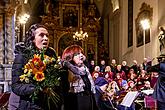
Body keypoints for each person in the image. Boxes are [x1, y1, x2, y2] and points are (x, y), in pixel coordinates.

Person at [9, 24, 62, 110]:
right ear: (33, 39)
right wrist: (38, 88)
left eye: (47, 36)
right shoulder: (23, 57)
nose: (46, 38)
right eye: (41, 35)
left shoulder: (52, 57)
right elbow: (16, 86)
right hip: (30, 105)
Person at [61, 45, 98, 110]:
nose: (81, 55)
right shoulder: (66, 71)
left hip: (88, 101)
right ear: (70, 56)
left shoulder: (85, 69)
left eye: (81, 53)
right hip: (75, 103)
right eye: (77, 54)